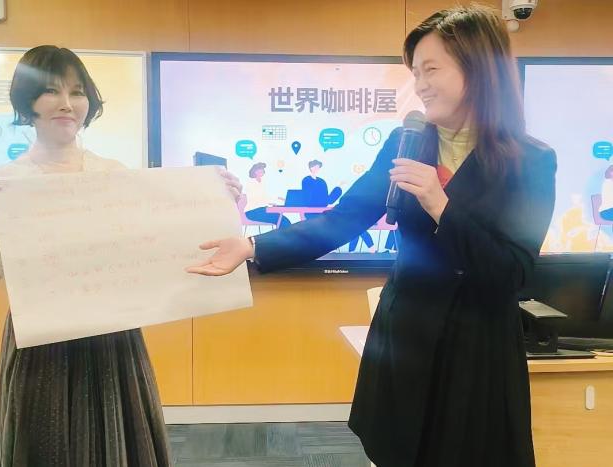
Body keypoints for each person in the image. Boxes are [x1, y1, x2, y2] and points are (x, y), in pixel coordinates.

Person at [187, 6, 556, 467]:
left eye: (431, 69)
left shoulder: (530, 161)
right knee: (399, 450)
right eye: (415, 72)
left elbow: (513, 273)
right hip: (406, 335)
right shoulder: (408, 141)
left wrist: (441, 206)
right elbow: (343, 219)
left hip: (477, 349)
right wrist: (252, 246)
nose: (420, 84)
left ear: (478, 68)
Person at [0, 45, 241, 467]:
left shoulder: (114, 175)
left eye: (77, 91)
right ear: (27, 101)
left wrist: (219, 202)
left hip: (111, 340)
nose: (67, 103)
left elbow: (163, 251)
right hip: (39, 346)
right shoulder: (3, 184)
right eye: (51, 91)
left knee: (118, 447)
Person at [244, 162, 291, 228]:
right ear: (254, 171)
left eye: (262, 169)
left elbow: (266, 196)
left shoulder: (262, 183)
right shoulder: (250, 183)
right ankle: (283, 234)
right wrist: (269, 202)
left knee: (283, 219)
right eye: (259, 169)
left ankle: (284, 234)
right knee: (281, 220)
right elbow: (255, 198)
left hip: (261, 210)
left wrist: (279, 198)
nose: (262, 171)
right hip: (252, 212)